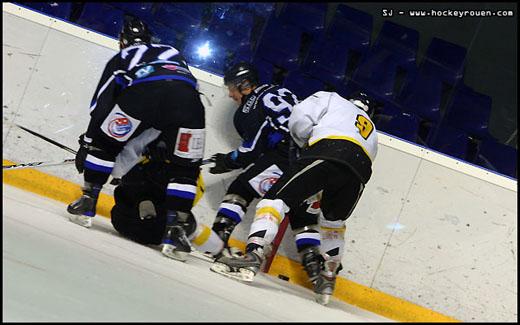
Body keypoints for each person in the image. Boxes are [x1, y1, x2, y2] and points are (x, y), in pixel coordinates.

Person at [210, 91, 379, 305]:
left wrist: (304, 143)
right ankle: (327, 278)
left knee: (274, 201)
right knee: (333, 223)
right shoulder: (371, 129)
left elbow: (301, 116)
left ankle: (252, 256)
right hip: (359, 172)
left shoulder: (334, 99)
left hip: (329, 152)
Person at [67, 14, 206, 261]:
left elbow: (101, 105)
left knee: (105, 145)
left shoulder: (122, 57)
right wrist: (163, 141)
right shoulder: (172, 51)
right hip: (190, 104)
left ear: (123, 41)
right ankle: (175, 232)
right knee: (185, 169)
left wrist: (89, 143)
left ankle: (88, 203)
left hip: (145, 93)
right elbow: (180, 94)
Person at [109, 132, 226, 259]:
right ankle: (220, 250)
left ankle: (148, 214)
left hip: (119, 221)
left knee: (134, 194)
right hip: (160, 234)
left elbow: (118, 173)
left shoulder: (139, 159)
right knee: (189, 223)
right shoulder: (189, 175)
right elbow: (187, 205)